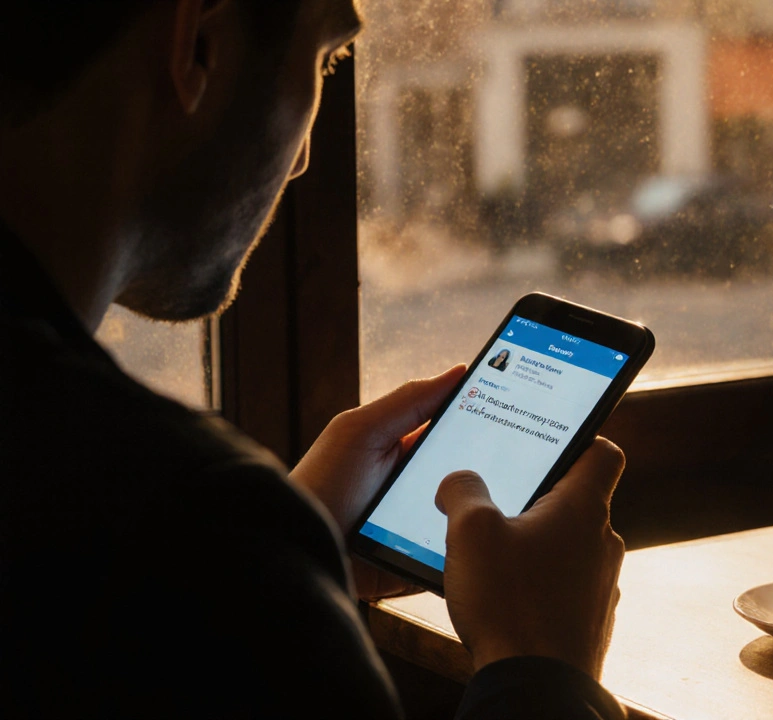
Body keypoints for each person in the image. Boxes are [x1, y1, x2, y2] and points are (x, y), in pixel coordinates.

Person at [0, 2, 626, 718]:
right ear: (197, 43)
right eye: (326, 59)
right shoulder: (176, 522)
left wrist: (293, 550)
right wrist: (540, 667)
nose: (300, 160)